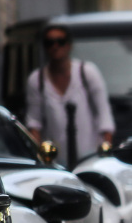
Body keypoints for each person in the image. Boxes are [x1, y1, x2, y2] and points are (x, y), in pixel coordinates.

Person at [25, 24, 114, 164]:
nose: (55, 46)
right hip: (56, 162)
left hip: (91, 160)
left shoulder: (87, 73)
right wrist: (42, 159)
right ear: (44, 47)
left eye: (60, 41)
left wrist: (105, 156)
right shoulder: (37, 80)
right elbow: (34, 123)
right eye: (49, 43)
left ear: (69, 45)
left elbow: (104, 116)